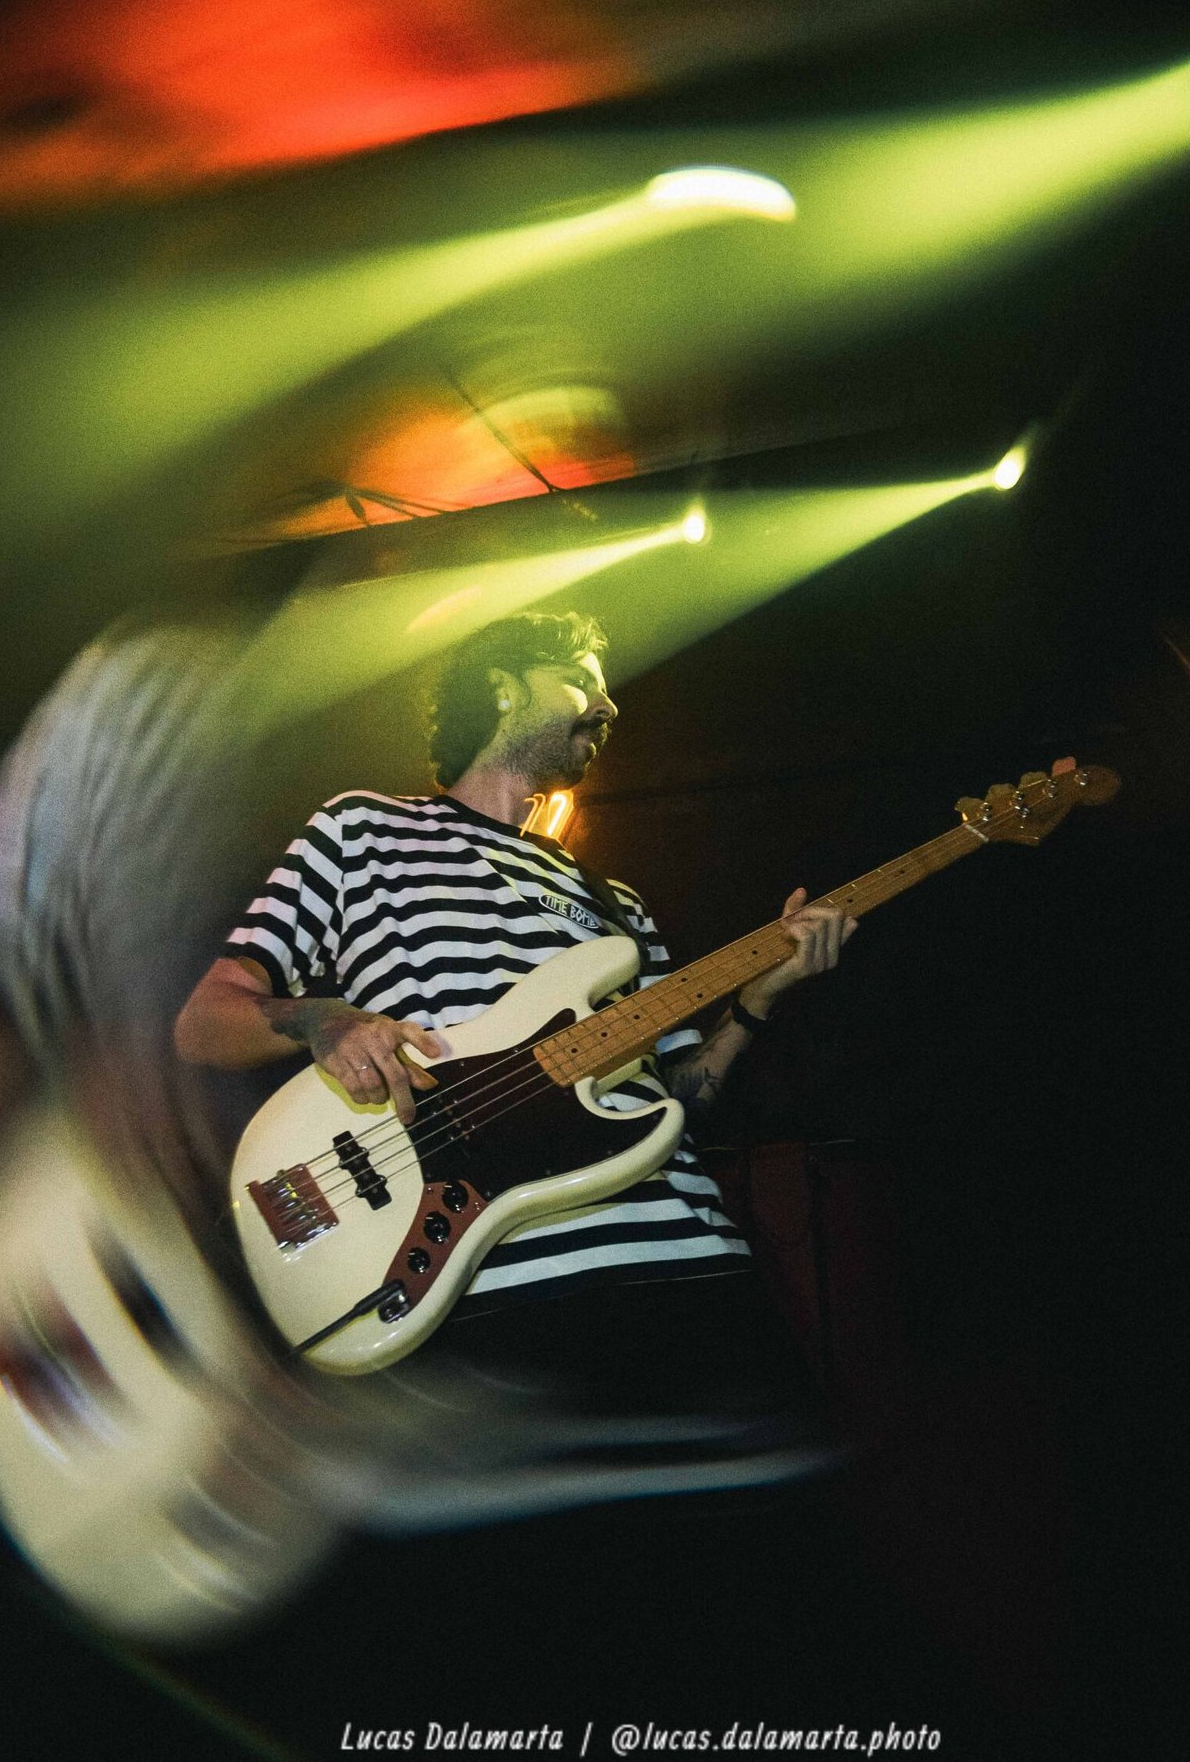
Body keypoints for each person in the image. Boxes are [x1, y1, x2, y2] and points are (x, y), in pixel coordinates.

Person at [175, 608, 858, 1445]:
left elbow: (681, 1098)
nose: (608, 708)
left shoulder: (617, 905)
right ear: (502, 687)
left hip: (693, 1268)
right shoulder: (362, 830)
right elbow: (206, 1021)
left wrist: (760, 998)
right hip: (502, 1287)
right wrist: (324, 1019)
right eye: (579, 683)